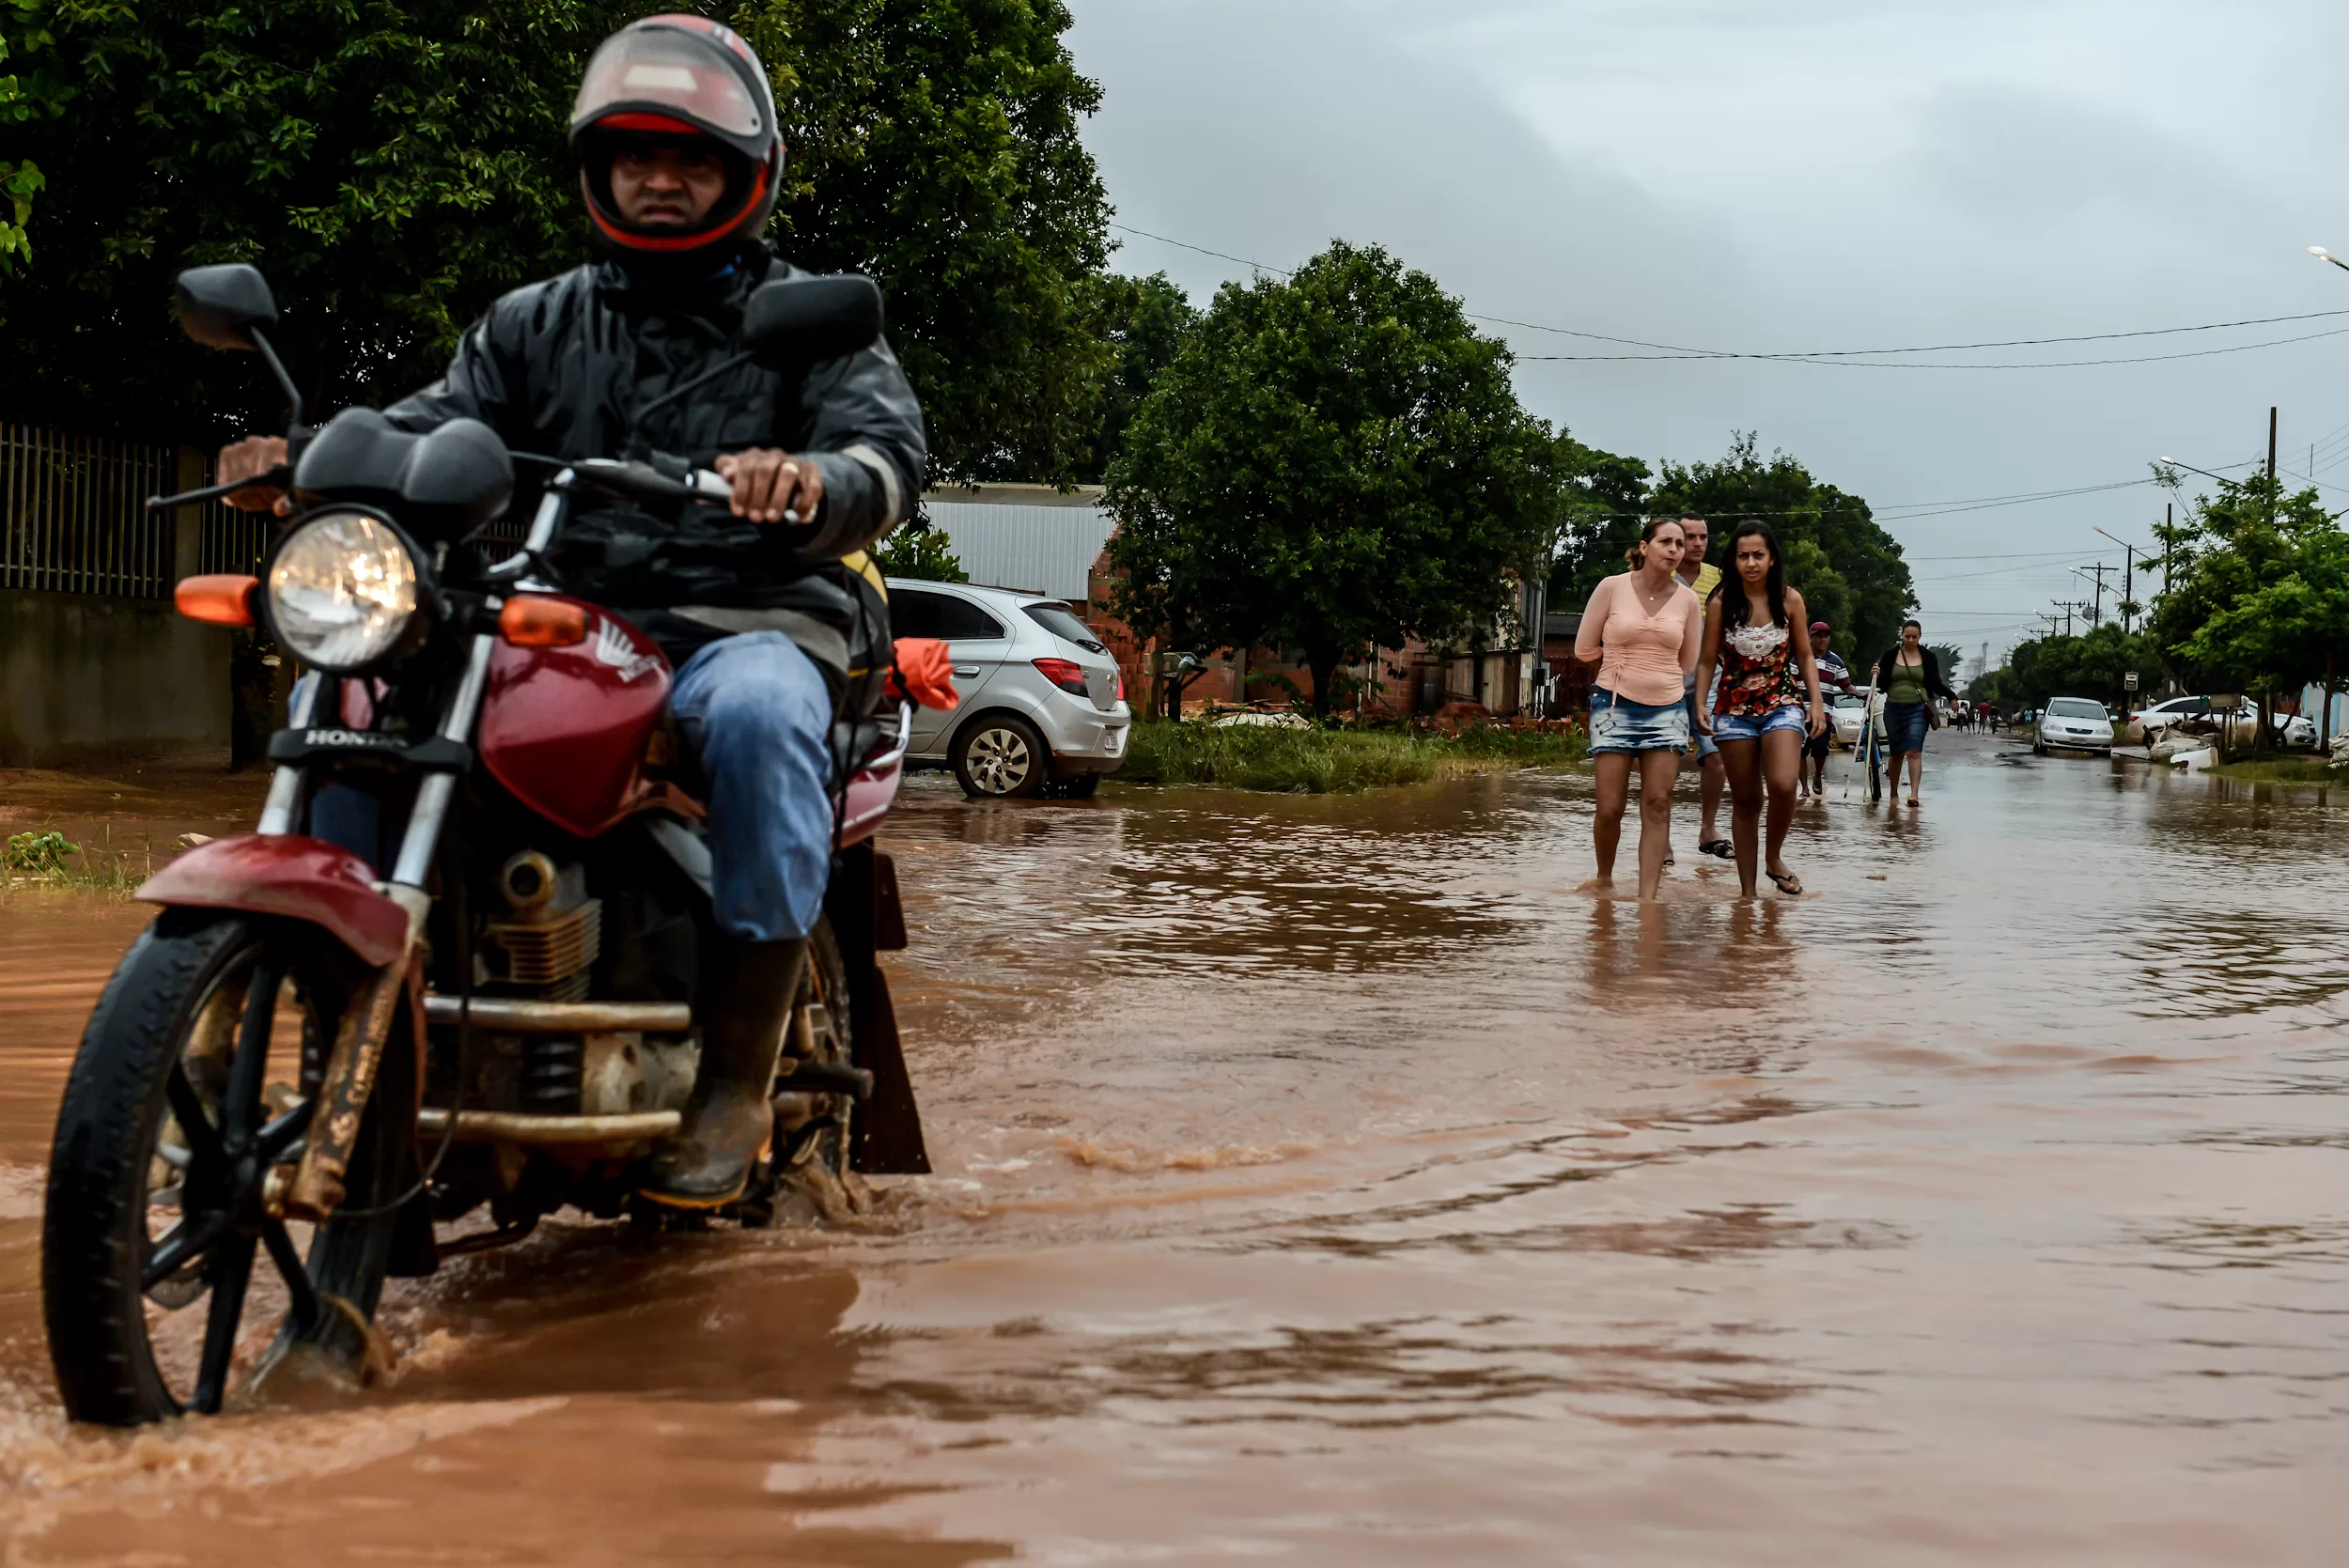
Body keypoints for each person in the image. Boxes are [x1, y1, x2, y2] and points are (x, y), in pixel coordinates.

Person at [214, 14, 928, 1210]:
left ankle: (735, 1080)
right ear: (598, 167)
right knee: (352, 682)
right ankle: (354, 1027)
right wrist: (306, 457)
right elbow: (433, 418)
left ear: (740, 177)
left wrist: (812, 481)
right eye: (637, 155)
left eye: (688, 159)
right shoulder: (532, 321)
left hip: (747, 617)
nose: (659, 180)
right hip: (567, 617)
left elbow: (887, 456)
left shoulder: (809, 319)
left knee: (757, 716)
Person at [1575, 518, 1703, 900]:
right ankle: (1604, 879)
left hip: (1667, 709)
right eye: (1666, 541)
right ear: (1644, 547)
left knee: (1658, 803)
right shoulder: (1611, 588)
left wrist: (1655, 676)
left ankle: (1648, 900)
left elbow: (1688, 661)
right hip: (1613, 706)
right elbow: (1584, 649)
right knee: (1610, 807)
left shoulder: (1689, 600)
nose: (1674, 549)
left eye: (1680, 544)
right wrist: (1619, 663)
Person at [1695, 521, 1825, 897]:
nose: (1751, 563)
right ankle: (1747, 895)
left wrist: (1816, 703)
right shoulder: (1720, 603)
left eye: (1758, 555)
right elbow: (1706, 660)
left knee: (1784, 785)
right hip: (1733, 710)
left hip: (1782, 705)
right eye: (1743, 556)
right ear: (1733, 561)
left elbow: (1804, 654)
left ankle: (1774, 858)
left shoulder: (1790, 600)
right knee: (1747, 799)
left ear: (1772, 559)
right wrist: (1700, 706)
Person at [1668, 513, 1731, 859]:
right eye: (1689, 537)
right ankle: (1661, 837)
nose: (1696, 543)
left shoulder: (1720, 580)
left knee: (1715, 756)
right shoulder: (1663, 576)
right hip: (1667, 682)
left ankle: (1708, 827)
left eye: (1702, 537)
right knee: (1666, 761)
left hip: (1711, 682)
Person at [1874, 619, 1955, 807]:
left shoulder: (1927, 657)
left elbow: (1935, 682)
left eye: (1914, 637)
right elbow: (1880, 681)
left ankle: (1914, 794)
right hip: (1893, 708)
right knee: (1896, 753)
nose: (1910, 640)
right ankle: (1893, 793)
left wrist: (1952, 697)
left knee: (1914, 751)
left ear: (1920, 637)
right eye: (1907, 636)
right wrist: (1875, 673)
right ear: (1901, 635)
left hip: (1918, 708)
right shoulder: (1891, 655)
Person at [1800, 619, 1853, 800]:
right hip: (1801, 714)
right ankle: (1804, 787)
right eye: (1818, 636)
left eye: (1826, 636)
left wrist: (1860, 694)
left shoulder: (1835, 661)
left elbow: (1846, 685)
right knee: (1800, 750)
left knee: (1821, 749)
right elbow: (1789, 681)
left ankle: (1817, 776)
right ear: (1810, 638)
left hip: (1824, 715)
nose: (1822, 640)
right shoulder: (1799, 657)